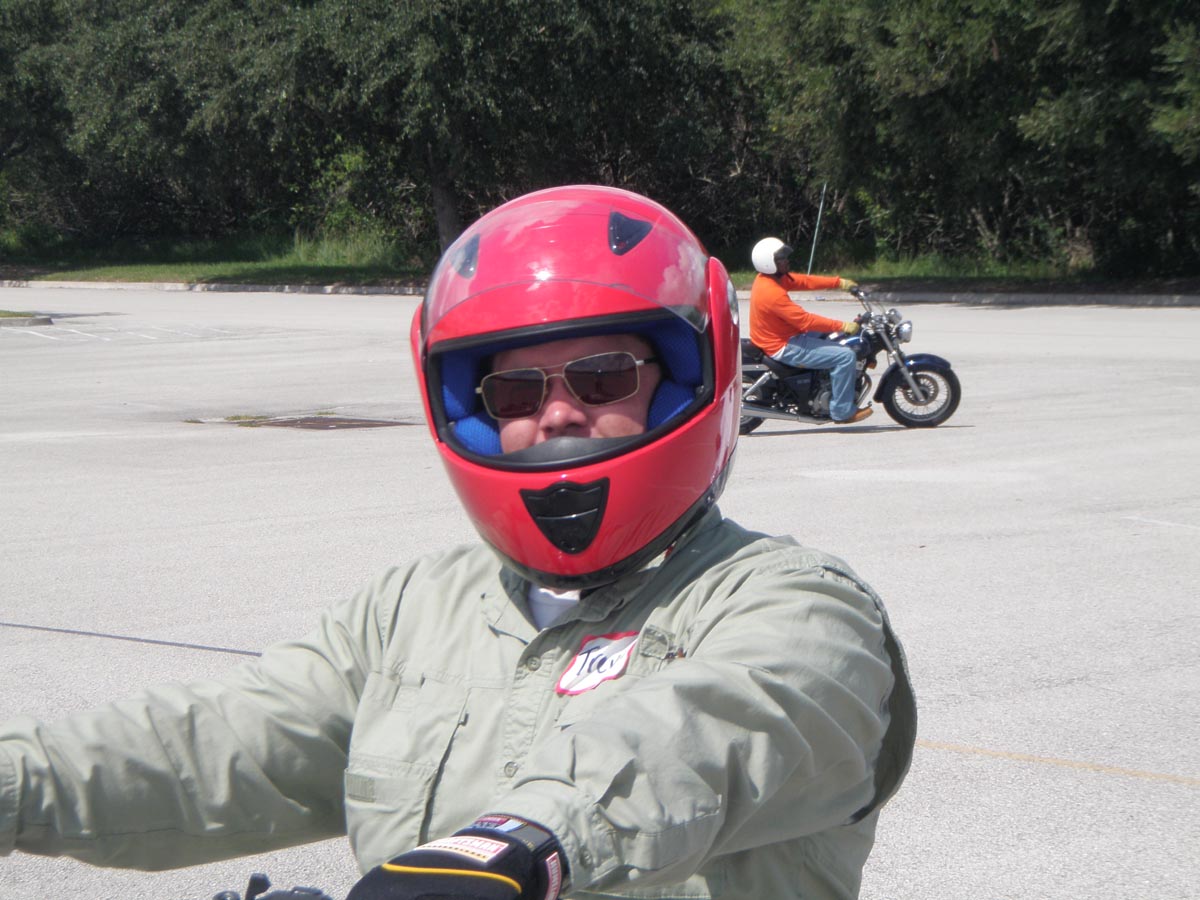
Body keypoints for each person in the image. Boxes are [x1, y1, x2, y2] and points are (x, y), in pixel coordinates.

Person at [0, 186, 915, 900]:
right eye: (514, 393)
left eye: (602, 376)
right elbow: (219, 743)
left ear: (687, 379)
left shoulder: (797, 604)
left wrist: (517, 845)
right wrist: (14, 783)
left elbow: (713, 730)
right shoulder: (412, 613)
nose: (558, 413)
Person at [747, 236, 872, 424]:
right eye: (781, 259)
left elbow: (804, 281)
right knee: (845, 356)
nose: (787, 261)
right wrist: (843, 325)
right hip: (783, 345)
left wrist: (839, 283)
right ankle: (842, 411)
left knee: (831, 338)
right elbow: (805, 321)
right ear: (769, 264)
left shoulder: (770, 279)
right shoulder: (772, 293)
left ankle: (824, 386)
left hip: (781, 336)